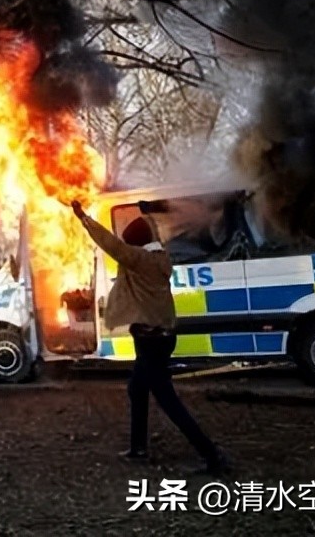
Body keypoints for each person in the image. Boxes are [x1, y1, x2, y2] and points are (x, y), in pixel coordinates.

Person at [72, 200, 228, 475]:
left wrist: (84, 218)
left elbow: (110, 244)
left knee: (167, 400)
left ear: (135, 245)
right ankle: (138, 448)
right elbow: (151, 234)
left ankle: (212, 456)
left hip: (151, 340)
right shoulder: (160, 256)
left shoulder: (139, 260)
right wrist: (148, 215)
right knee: (137, 389)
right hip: (159, 337)